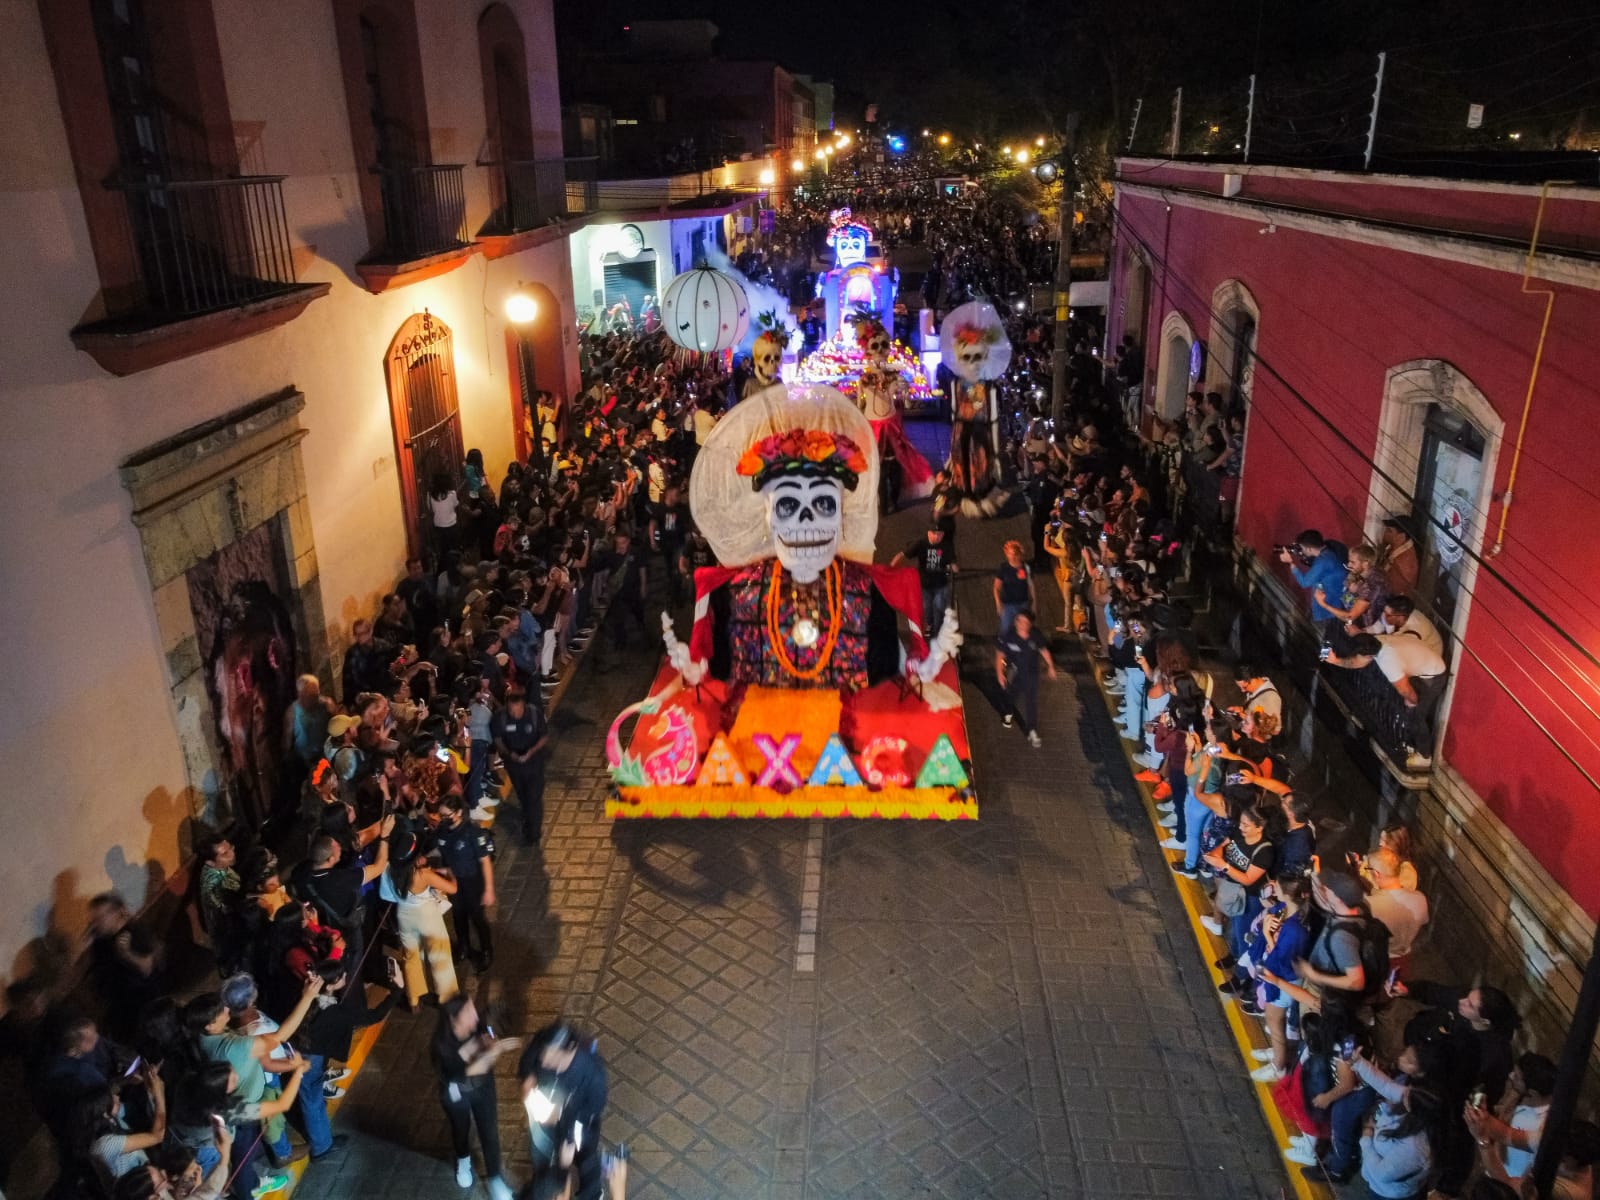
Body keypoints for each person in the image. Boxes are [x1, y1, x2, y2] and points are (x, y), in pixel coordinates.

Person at [433, 996, 520, 1199]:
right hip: (457, 1093)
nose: (475, 1016)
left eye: (474, 1009)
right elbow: (469, 1070)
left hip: (483, 1087)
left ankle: (495, 1179)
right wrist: (495, 1050)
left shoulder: (476, 1024)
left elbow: (488, 1029)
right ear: (454, 1020)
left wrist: (491, 1035)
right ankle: (463, 1159)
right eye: (469, 1013)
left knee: (489, 1132)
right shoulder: (441, 1046)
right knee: (460, 1128)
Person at [1326, 632, 1448, 769]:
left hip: (1434, 676)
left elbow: (1405, 690)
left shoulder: (1389, 663)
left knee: (1416, 716)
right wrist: (1335, 661)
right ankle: (1410, 738)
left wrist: (1412, 701)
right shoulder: (1377, 641)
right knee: (1407, 706)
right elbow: (1357, 663)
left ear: (1367, 656)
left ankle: (1425, 756)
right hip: (1422, 662)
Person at [519, 1024, 609, 1200]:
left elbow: (591, 1110)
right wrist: (528, 1079)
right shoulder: (543, 1042)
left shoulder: (593, 1073)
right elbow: (528, 1059)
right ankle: (543, 1191)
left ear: (568, 1051)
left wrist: (570, 1139)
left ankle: (592, 1194)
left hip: (579, 1124)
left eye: (550, 1056)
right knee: (543, 1158)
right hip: (545, 1119)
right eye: (543, 1054)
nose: (543, 1060)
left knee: (586, 1160)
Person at [381, 830, 460, 1010]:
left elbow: (386, 895)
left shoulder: (389, 870)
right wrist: (449, 872)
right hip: (427, 917)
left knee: (410, 957)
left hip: (403, 915)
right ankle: (446, 998)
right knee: (439, 955)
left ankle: (414, 998)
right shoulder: (422, 875)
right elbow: (452, 888)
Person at [1464, 1051, 1556, 1189]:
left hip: (1508, 1182)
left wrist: (1481, 1131)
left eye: (1517, 1077)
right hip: (1495, 1163)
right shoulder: (1522, 1095)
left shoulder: (1542, 1127)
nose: (1511, 1076)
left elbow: (1508, 1135)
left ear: (1533, 1093)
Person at [86, 894, 166, 1040]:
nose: (95, 923)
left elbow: (148, 969)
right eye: (94, 919)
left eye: (100, 918)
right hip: (120, 1007)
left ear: (116, 913)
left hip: (144, 1005)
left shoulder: (135, 932)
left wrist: (127, 954)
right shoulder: (100, 940)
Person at [436, 795, 497, 971]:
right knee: (458, 916)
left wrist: (489, 889)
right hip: (454, 882)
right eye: (442, 815)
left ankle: (486, 951)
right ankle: (464, 947)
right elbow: (445, 857)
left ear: (459, 813)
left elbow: (485, 861)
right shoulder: (442, 831)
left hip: (472, 881)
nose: (444, 819)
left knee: (477, 917)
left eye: (447, 815)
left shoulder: (472, 832)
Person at [491, 688, 550, 846]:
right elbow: (497, 739)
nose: (515, 714)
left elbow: (544, 736)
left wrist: (531, 751)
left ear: (523, 705)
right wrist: (509, 754)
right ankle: (527, 818)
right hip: (514, 766)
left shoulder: (534, 714)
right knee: (523, 796)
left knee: (534, 798)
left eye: (517, 710)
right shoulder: (500, 718)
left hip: (534, 765)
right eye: (511, 710)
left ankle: (533, 833)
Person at [995, 609, 1057, 749]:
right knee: (1011, 696)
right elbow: (1000, 655)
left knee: (1031, 700)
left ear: (1030, 624)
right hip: (1014, 673)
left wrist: (1051, 666)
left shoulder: (1035, 635)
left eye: (1025, 622)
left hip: (1031, 673)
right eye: (1019, 621)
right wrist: (1000, 673)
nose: (1022, 624)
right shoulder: (1008, 636)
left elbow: (1044, 651)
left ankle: (1032, 730)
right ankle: (1008, 712)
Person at [1365, 848, 1429, 979]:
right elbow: (1424, 921)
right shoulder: (1420, 898)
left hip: (1375, 964)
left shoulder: (1370, 904)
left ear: (1376, 874)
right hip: (1402, 964)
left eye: (1368, 870)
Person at [892, 523, 957, 638]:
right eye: (934, 534)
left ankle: (938, 633)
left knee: (938, 608)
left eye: (940, 534)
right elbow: (903, 555)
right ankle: (930, 624)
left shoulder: (946, 545)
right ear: (928, 532)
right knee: (927, 609)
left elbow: (952, 560)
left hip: (940, 585)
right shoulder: (921, 544)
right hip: (924, 585)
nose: (937, 537)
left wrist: (953, 566)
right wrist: (891, 568)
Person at [1278, 529, 1349, 624]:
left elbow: (1304, 582)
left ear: (1309, 549)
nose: (1302, 551)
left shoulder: (1322, 562)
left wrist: (1291, 563)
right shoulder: (1329, 553)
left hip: (1328, 611)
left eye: (1302, 548)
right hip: (1334, 606)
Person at [993, 540, 1036, 636]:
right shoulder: (1004, 568)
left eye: (1014, 554)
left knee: (1023, 630)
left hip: (1023, 604)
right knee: (1005, 629)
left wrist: (1034, 604)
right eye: (1009, 554)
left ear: (1019, 555)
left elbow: (1031, 586)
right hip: (1008, 606)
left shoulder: (1026, 568)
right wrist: (998, 604)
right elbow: (996, 587)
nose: (1012, 556)